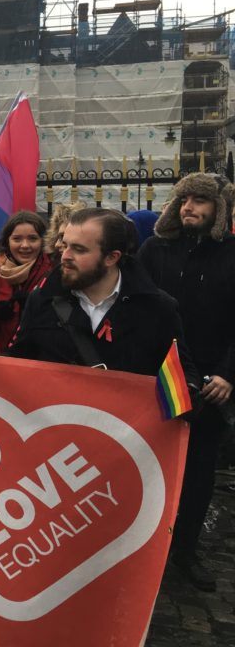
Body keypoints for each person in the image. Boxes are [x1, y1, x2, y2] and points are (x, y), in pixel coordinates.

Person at [0, 209, 196, 381]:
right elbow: (19, 363)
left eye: (78, 249)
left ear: (112, 257)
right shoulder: (43, 299)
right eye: (65, 244)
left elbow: (180, 378)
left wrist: (191, 393)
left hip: (123, 447)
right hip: (60, 444)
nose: (64, 255)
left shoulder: (157, 308)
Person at [138, 174, 235, 592]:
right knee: (147, 468)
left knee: (197, 473)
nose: (189, 207)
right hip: (157, 376)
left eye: (200, 201)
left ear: (219, 209)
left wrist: (230, 373)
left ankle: (185, 551)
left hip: (212, 381)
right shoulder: (154, 250)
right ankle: (142, 548)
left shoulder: (232, 254)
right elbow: (134, 303)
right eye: (183, 199)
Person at [0, 211, 53, 352]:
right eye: (17, 239)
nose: (25, 245)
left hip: (41, 356)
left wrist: (34, 311)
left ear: (43, 241)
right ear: (7, 241)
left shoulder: (52, 270)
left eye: (32, 239)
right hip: (1, 356)